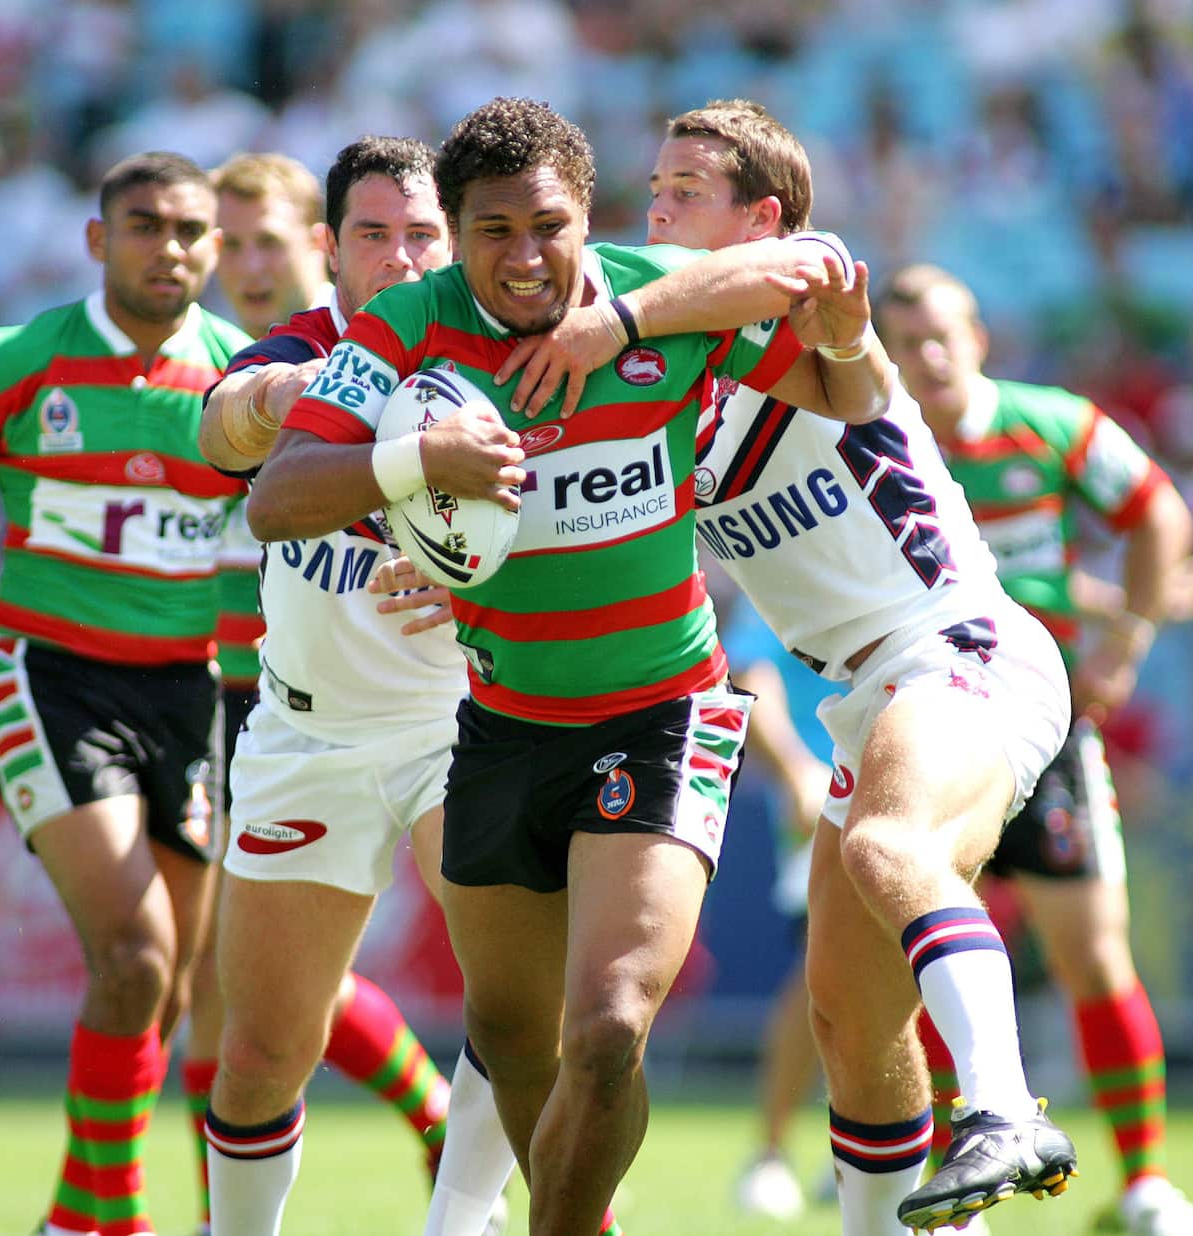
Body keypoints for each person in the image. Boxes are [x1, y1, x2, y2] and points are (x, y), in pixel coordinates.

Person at [242, 94, 891, 1236]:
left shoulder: (664, 301)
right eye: (492, 231)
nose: (526, 257)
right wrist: (416, 458)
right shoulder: (404, 329)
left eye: (548, 226)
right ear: (455, 230)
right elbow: (277, 498)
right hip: (496, 725)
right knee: (513, 1039)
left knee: (605, 1029)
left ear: (586, 218)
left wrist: (836, 331)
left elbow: (847, 385)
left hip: (662, 711)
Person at [483, 97, 1079, 1234]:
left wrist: (614, 322)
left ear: (758, 215)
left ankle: (1003, 1109)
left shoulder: (805, 295)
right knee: (851, 1030)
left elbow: (797, 271)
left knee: (886, 847)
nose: (654, 207)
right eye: (651, 188)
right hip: (863, 695)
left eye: (685, 191)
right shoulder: (674, 378)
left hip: (960, 643)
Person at [0, 151, 250, 1236]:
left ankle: (76, 1213)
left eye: (193, 230)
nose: (172, 248)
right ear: (97, 241)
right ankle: (109, 1219)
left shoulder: (243, 384)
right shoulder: (12, 362)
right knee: (136, 950)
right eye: (146, 225)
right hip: (48, 676)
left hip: (188, 695)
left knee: (166, 981)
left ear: (219, 246)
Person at [197, 137, 522, 1236]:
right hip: (305, 738)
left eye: (421, 233)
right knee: (258, 1056)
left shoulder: (509, 351)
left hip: (460, 726)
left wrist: (478, 591)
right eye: (372, 234)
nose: (398, 256)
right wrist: (285, 392)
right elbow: (222, 422)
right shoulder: (312, 345)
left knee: (524, 1015)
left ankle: (480, 1220)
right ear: (330, 249)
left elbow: (568, 529)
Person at [876, 262, 1193, 1236]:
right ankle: (951, 1180)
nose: (927, 356)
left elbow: (1155, 514)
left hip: (1041, 724)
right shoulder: (874, 445)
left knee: (1092, 956)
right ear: (884, 358)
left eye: (941, 334)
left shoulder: (1052, 424)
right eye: (905, 343)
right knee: (917, 970)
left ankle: (1143, 1181)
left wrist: (1122, 642)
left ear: (977, 336)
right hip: (922, 726)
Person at [721, 595, 835, 1222]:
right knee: (824, 976)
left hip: (914, 782)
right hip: (825, 792)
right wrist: (796, 772)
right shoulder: (782, 549)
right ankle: (769, 1154)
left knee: (910, 975)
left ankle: (877, 1144)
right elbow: (749, 669)